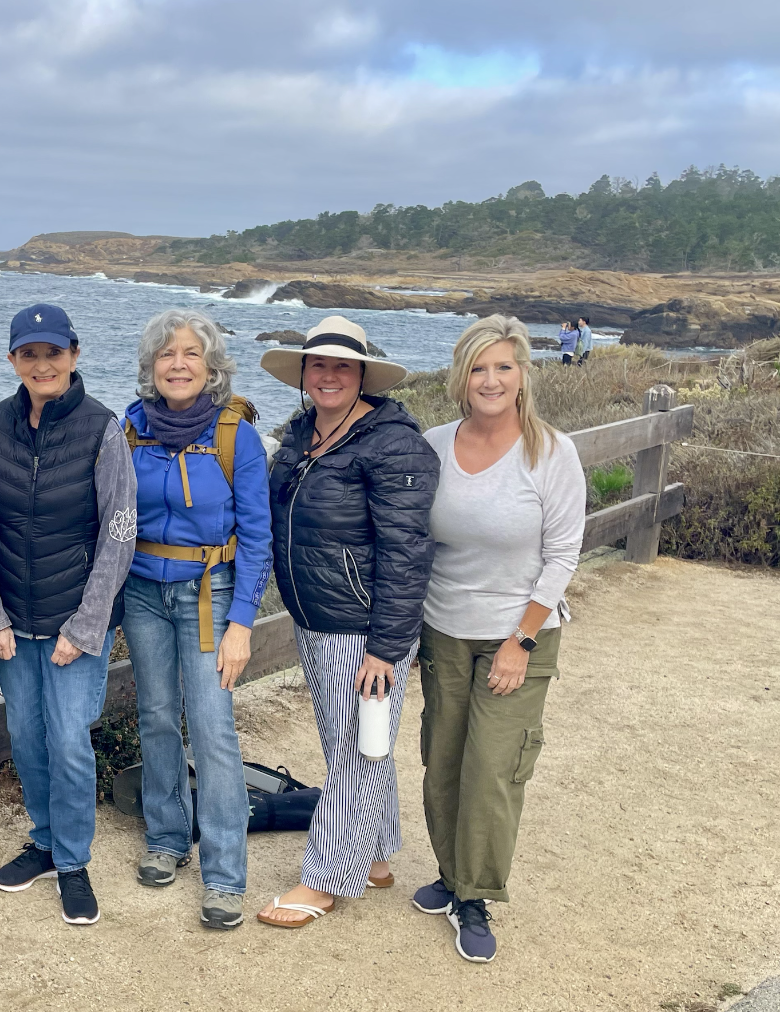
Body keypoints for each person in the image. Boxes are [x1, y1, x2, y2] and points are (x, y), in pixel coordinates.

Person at [256, 316, 438, 929]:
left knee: (353, 752)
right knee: (358, 742)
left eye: (343, 365)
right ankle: (376, 854)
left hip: (363, 628)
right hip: (315, 619)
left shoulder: (394, 445)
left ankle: (325, 878)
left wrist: (385, 648)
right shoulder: (301, 432)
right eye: (318, 364)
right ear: (304, 372)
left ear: (362, 374)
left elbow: (407, 554)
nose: (329, 375)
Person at [413, 315, 584, 963]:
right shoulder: (433, 445)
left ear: (522, 375)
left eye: (503, 367)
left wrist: (521, 641)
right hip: (444, 630)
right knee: (443, 760)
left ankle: (476, 894)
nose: (491, 380)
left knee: (491, 770)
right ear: (461, 377)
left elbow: (563, 555)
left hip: (519, 635)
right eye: (478, 368)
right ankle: (451, 873)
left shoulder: (551, 453)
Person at [0, 304, 136, 926]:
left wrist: (87, 625)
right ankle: (43, 841)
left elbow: (119, 531)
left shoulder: (103, 429)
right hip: (13, 619)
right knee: (25, 736)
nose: (42, 364)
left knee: (68, 741)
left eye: (53, 352)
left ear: (74, 354)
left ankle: (72, 860)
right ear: (13, 359)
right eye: (29, 354)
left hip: (76, 622)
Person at [119, 308, 272, 931]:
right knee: (156, 717)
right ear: (150, 366)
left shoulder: (237, 434)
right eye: (166, 354)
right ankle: (166, 837)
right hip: (143, 592)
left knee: (212, 729)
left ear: (211, 366)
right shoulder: (130, 427)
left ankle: (225, 875)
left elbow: (257, 537)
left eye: (190, 354)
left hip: (212, 594)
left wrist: (243, 624)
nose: (177, 364)